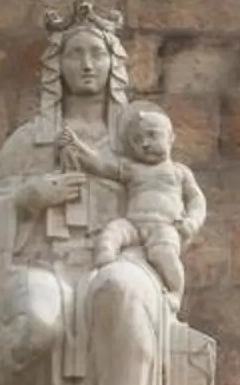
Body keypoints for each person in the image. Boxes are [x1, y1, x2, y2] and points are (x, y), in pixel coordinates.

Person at [0, 0, 209, 385]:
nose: (87, 64)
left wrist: (174, 228)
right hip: (43, 263)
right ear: (57, 65)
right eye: (75, 54)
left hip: (123, 256)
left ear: (112, 63)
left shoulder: (139, 137)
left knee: (124, 292)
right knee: (39, 325)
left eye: (97, 53)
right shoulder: (30, 139)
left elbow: (174, 196)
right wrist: (26, 198)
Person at [69, 101, 207, 308]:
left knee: (164, 255)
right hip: (133, 224)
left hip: (164, 226)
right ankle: (104, 262)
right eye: (137, 140)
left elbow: (197, 200)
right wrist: (77, 146)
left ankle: (175, 293)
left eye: (152, 135)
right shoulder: (132, 169)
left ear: (171, 138)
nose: (144, 143)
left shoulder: (179, 172)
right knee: (111, 232)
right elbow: (100, 166)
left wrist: (191, 223)